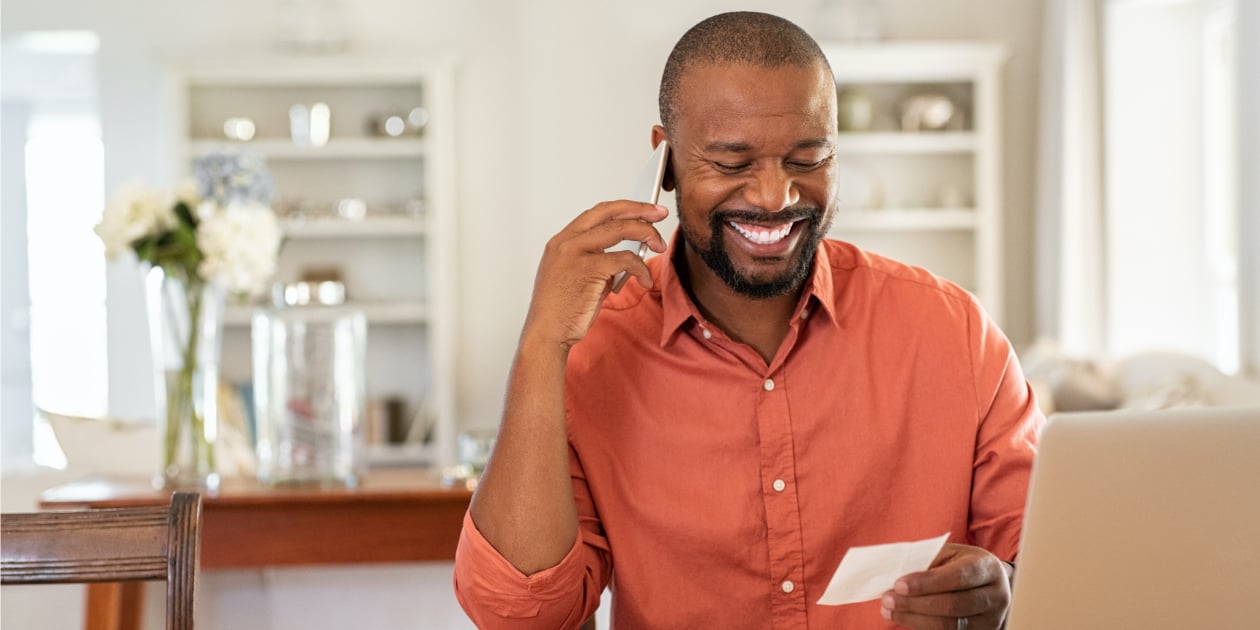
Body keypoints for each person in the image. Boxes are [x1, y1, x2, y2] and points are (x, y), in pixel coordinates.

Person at [454, 11, 1043, 630]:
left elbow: (1053, 564)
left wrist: (1003, 592)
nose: (775, 197)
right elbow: (520, 617)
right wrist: (542, 345)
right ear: (668, 162)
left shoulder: (953, 333)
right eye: (733, 164)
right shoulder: (591, 349)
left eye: (808, 159)